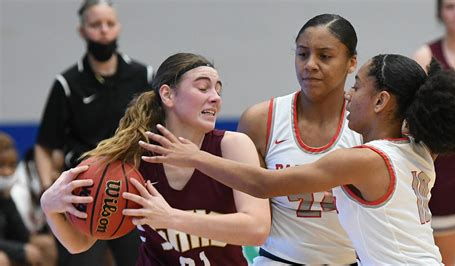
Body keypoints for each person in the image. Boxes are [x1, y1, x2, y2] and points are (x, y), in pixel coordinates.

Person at [139, 51, 455, 264]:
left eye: (357, 87)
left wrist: (194, 156)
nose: (348, 93)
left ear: (380, 101)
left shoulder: (365, 160)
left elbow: (263, 183)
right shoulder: (420, 147)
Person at [40, 52, 271, 265]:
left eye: (218, 90)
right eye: (203, 88)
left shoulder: (232, 145)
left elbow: (257, 229)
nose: (215, 98)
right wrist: (49, 207)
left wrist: (172, 218)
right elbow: (80, 243)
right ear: (167, 95)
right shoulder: (133, 159)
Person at [211, 14, 361, 265]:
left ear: (352, 62)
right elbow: (246, 213)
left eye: (324, 56)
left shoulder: (365, 124)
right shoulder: (261, 120)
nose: (310, 65)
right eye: (302, 54)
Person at [35, 0, 153, 265]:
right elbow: (44, 145)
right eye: (95, 24)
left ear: (118, 28)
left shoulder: (143, 75)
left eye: (109, 24)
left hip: (132, 189)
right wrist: (48, 190)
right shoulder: (67, 83)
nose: (103, 30)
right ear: (82, 31)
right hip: (82, 193)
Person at [412, 1, 455, 264]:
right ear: (440, 13)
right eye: (450, 6)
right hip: (447, 167)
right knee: (444, 259)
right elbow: (418, 118)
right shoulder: (426, 55)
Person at [0, 132, 56, 266]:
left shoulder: (4, 195)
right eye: (1, 165)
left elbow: (22, 237)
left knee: (47, 246)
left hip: (6, 245)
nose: (7, 172)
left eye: (12, 165)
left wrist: (6, 198)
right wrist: (20, 250)